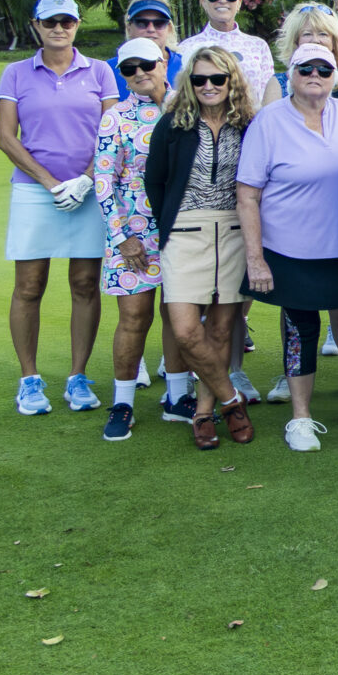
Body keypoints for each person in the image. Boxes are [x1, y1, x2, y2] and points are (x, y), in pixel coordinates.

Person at [238, 43, 338, 444]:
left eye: (324, 69)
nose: (315, 75)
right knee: (301, 332)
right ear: (290, 74)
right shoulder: (268, 120)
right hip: (289, 249)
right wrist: (255, 258)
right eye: (305, 68)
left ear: (336, 75)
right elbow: (247, 195)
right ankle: (300, 418)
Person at [1, 0, 116, 416]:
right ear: (36, 25)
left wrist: (86, 180)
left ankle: (77, 377)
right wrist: (52, 184)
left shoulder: (101, 71)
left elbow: (110, 132)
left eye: (67, 21)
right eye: (50, 22)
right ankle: (30, 380)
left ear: (77, 25)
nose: (59, 28)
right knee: (30, 286)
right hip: (35, 191)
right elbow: (6, 137)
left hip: (87, 190)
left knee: (85, 283)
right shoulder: (15, 73)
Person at [142, 45, 256, 449]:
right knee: (187, 330)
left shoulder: (249, 124)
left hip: (233, 231)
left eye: (217, 79)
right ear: (189, 83)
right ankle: (231, 400)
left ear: (231, 82)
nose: (209, 86)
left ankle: (205, 412)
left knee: (224, 328)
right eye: (199, 79)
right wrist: (171, 222)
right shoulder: (173, 124)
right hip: (184, 232)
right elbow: (154, 180)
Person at [94, 37, 171, 442]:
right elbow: (103, 181)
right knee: (135, 317)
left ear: (165, 61)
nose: (140, 72)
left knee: (180, 318)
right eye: (129, 68)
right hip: (134, 236)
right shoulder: (116, 117)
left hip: (182, 230)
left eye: (147, 64)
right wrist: (122, 237)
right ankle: (123, 402)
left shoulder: (187, 107)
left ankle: (178, 395)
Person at [177, 0, 278, 109]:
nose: (222, 0)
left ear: (239, 2)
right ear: (203, 2)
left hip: (251, 126)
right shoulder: (187, 47)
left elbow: (269, 96)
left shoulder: (258, 46)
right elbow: (182, 95)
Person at [113, 0, 185, 99]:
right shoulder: (108, 70)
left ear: (169, 28)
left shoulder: (187, 65)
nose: (151, 29)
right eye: (141, 23)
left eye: (159, 23)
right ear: (129, 28)